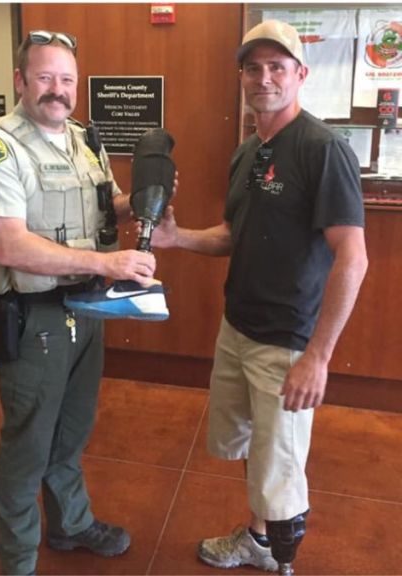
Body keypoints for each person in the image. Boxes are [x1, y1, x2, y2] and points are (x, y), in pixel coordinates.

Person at [149, 20, 368, 573]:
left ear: (300, 74)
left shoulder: (323, 149)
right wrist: (178, 239)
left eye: (276, 67)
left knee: (283, 467)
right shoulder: (247, 151)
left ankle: (280, 559)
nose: (264, 77)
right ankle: (258, 537)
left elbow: (353, 257)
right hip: (238, 328)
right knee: (255, 452)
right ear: (242, 77)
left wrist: (316, 357)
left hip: (287, 341)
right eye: (253, 67)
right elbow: (232, 235)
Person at [0, 31, 159, 575]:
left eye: (67, 80)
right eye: (45, 77)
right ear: (21, 81)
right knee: (28, 445)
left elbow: (101, 210)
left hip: (88, 312)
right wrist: (106, 264)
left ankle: (70, 525)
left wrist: (137, 203)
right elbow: (9, 245)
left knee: (71, 432)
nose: (57, 89)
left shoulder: (83, 140)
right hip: (36, 322)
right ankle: (19, 561)